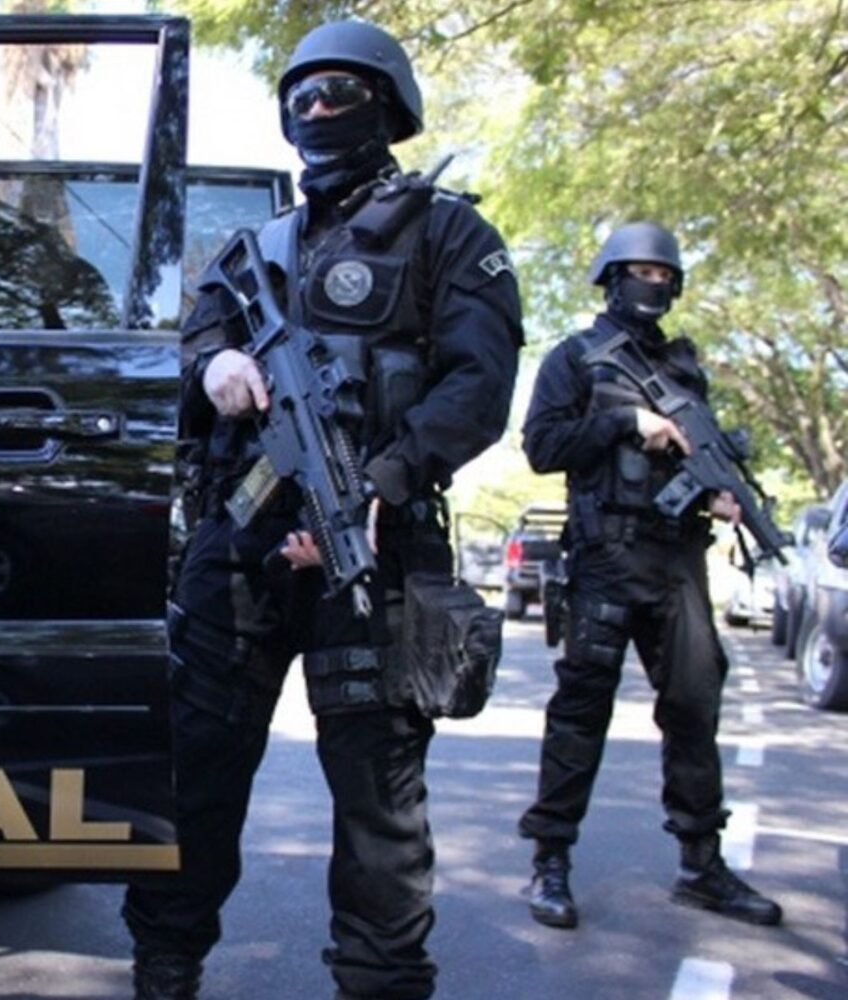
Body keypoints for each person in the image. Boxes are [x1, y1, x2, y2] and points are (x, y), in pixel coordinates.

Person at [123, 20, 522, 1000]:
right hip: (239, 549)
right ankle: (164, 964)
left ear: (387, 107)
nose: (316, 109)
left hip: (372, 546)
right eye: (300, 95)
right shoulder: (252, 250)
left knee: (379, 801)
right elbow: (185, 349)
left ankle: (380, 982)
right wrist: (214, 365)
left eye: (337, 91)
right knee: (194, 773)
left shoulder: (452, 234)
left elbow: (478, 387)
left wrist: (386, 480)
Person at [517, 221, 784, 930]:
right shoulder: (576, 358)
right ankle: (550, 861)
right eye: (641, 273)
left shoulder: (685, 369)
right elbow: (542, 446)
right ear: (612, 279)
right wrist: (625, 423)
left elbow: (689, 462)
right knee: (581, 712)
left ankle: (701, 865)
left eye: (664, 276)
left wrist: (718, 496)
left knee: (695, 706)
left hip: (677, 562)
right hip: (606, 557)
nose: (653, 285)